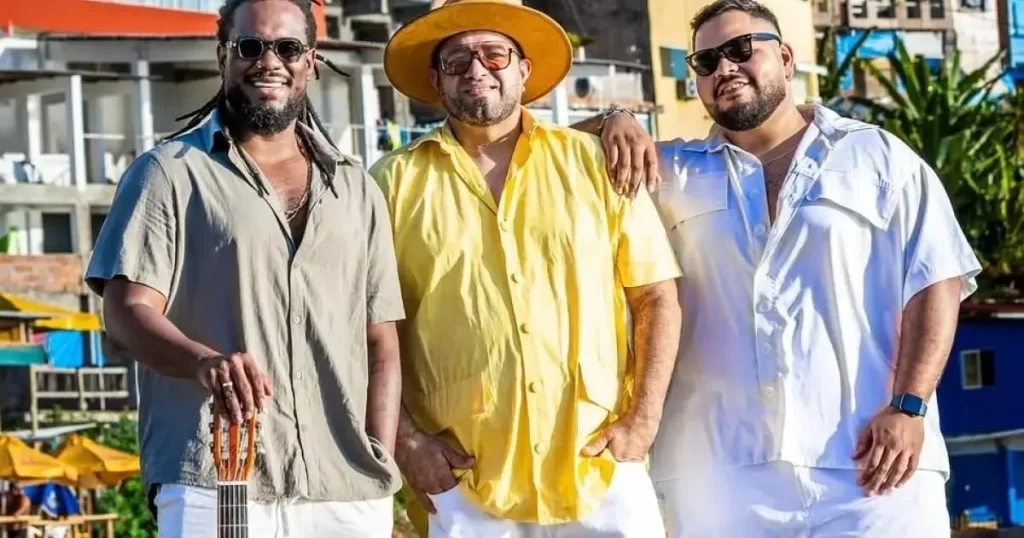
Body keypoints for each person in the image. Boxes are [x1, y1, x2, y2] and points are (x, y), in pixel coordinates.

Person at [573, 0, 981, 536]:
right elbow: (543, 152)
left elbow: (935, 281)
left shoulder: (879, 157)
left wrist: (908, 407)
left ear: (786, 59)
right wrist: (614, 118)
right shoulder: (669, 172)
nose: (724, 68)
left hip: (870, 466)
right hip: (716, 473)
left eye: (741, 49)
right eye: (706, 62)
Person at [84, 0, 405, 536]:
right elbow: (125, 313)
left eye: (288, 48)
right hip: (216, 480)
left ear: (311, 61)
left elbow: (382, 343)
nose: (269, 61)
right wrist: (202, 362)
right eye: (250, 46)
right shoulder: (168, 174)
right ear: (223, 56)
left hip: (347, 488)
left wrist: (379, 453)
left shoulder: (356, 187)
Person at [369, 0, 683, 536]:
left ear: (523, 69)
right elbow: (366, 325)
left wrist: (643, 421)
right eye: (457, 60)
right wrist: (406, 441)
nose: (477, 69)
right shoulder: (391, 183)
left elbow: (655, 297)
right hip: (464, 479)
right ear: (436, 80)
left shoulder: (595, 163)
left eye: (494, 54)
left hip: (600, 465)